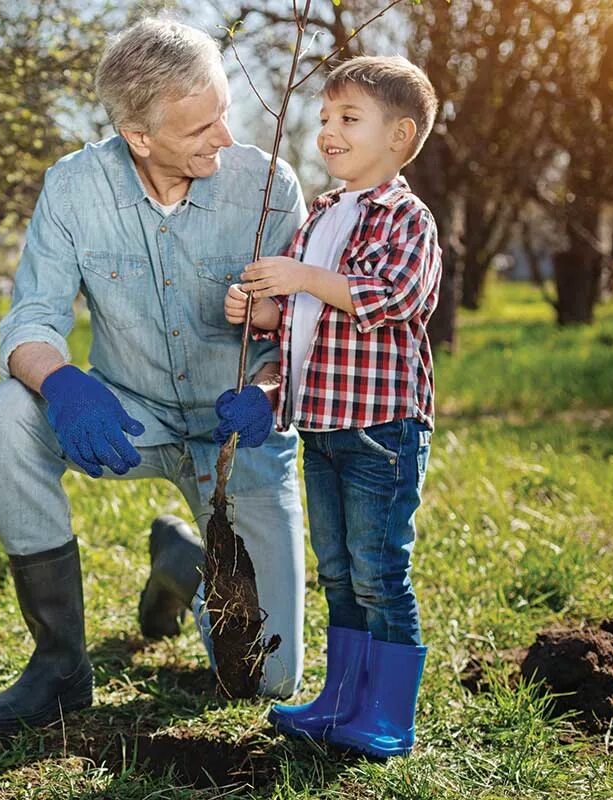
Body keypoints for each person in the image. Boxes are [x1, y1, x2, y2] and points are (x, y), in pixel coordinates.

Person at [0, 17, 310, 736]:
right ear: (139, 136)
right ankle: (60, 666)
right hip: (129, 416)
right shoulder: (73, 188)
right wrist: (61, 383)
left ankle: (183, 566)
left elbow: (311, 332)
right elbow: (29, 321)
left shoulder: (270, 186)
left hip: (237, 433)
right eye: (200, 129)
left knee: (265, 679)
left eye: (224, 112)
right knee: (5, 410)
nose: (225, 136)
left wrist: (272, 392)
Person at [212, 55, 441, 758]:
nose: (329, 132)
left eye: (349, 118)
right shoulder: (322, 216)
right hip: (323, 426)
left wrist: (303, 276)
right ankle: (341, 698)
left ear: (400, 135)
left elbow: (393, 298)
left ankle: (388, 715)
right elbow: (311, 325)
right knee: (338, 569)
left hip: (381, 430)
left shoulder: (406, 217)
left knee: (378, 572)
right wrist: (265, 311)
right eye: (324, 118)